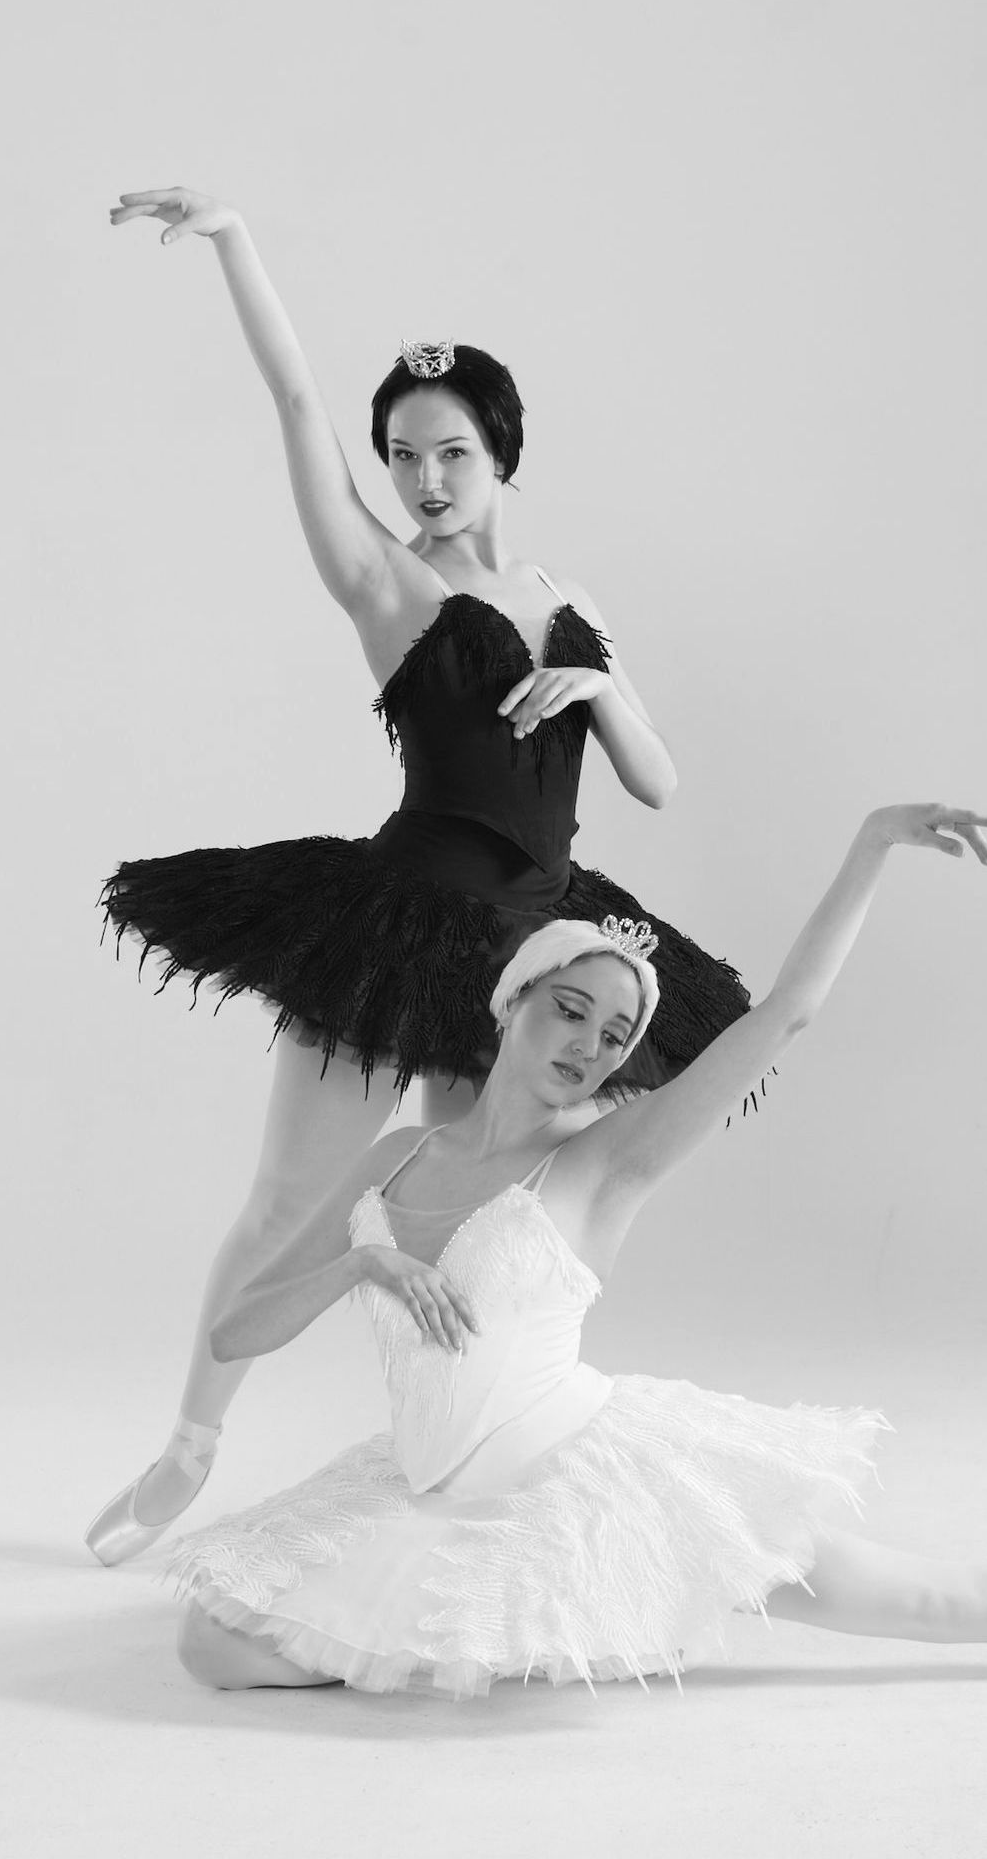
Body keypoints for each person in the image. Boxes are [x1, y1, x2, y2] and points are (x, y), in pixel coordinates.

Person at [167, 803, 987, 1694]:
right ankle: (499, 1627)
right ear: (512, 1001)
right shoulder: (394, 1165)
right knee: (216, 1648)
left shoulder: (604, 1163)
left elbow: (787, 1013)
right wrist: (363, 1261)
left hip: (585, 1474)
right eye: (571, 1011)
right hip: (433, 1488)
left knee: (918, 1599)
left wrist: (871, 845)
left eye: (615, 1037)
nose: (590, 1047)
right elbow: (237, 1330)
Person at [86, 186, 751, 1567]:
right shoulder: (385, 587)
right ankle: (193, 1440)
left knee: (483, 1227)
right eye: (402, 457)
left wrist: (601, 686)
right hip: (396, 926)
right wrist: (229, 241)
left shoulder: (574, 602)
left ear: (502, 453)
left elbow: (657, 779)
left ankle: (478, 1454)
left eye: (450, 452)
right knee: (291, 1202)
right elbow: (290, 403)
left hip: (530, 948)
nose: (426, 480)